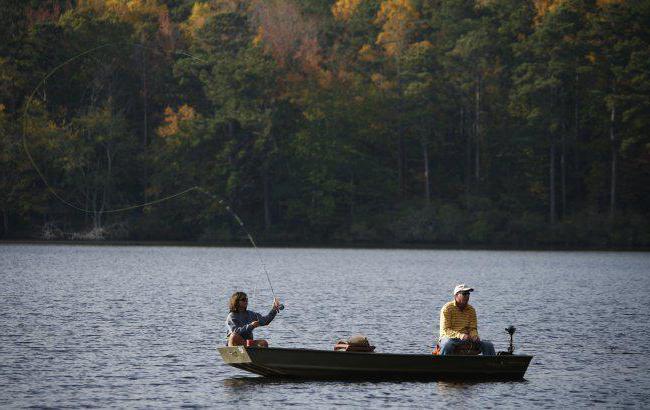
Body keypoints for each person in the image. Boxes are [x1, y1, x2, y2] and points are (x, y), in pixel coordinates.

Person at [438, 284, 495, 356]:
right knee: (448, 344)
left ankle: (491, 365)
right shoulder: (447, 309)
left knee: (488, 345)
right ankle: (443, 365)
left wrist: (474, 336)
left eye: (468, 294)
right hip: (449, 338)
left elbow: (472, 328)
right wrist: (461, 335)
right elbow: (446, 330)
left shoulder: (471, 310)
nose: (467, 296)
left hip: (466, 338)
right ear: (456, 295)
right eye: (464, 294)